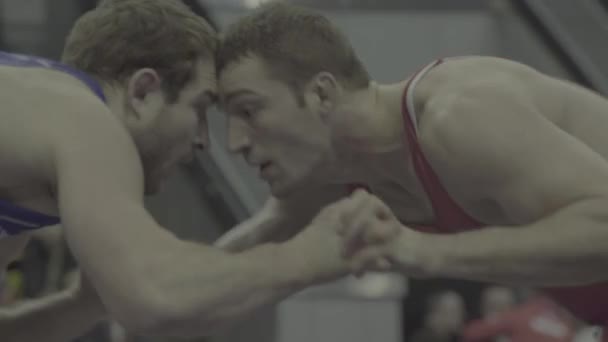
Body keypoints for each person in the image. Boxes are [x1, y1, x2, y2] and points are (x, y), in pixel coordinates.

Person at [214, 2, 608, 339]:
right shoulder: (330, 175)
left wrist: (427, 250)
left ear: (321, 94)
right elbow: (220, 274)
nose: (234, 142)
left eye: (249, 111)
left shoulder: (459, 114)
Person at [0, 0, 354, 340]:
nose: (203, 140)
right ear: (143, 92)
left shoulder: (28, 151)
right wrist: (314, 253)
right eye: (199, 109)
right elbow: (159, 297)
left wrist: (82, 306)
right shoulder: (86, 119)